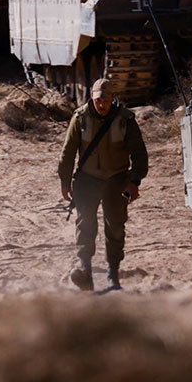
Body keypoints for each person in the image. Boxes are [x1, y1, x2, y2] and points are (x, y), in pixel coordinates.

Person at [58, 77, 149, 292]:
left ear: (113, 99)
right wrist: (65, 181)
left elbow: (139, 154)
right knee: (85, 224)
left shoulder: (125, 119)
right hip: (87, 179)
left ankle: (113, 275)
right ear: (92, 97)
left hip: (116, 180)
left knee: (115, 226)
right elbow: (68, 152)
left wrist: (134, 181)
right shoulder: (80, 118)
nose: (102, 104)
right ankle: (85, 271)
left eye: (106, 100)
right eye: (99, 100)